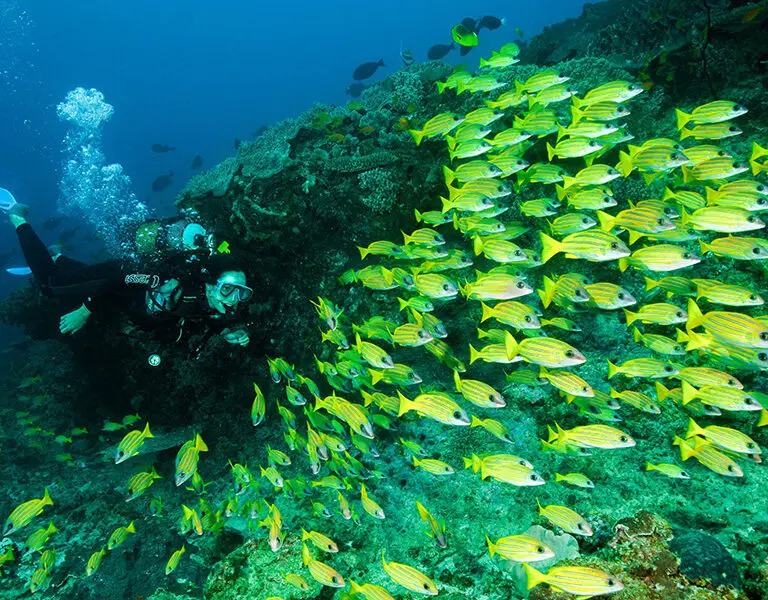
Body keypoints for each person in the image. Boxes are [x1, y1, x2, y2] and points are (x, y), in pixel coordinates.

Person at [1, 188, 251, 349]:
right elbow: (121, 280)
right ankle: (18, 216)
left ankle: (57, 256)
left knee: (79, 277)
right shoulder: (168, 281)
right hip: (118, 277)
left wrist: (225, 331)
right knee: (51, 285)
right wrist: (85, 311)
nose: (235, 300)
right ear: (210, 283)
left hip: (121, 299)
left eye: (242, 293)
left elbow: (205, 316)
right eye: (228, 289)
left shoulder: (209, 299)